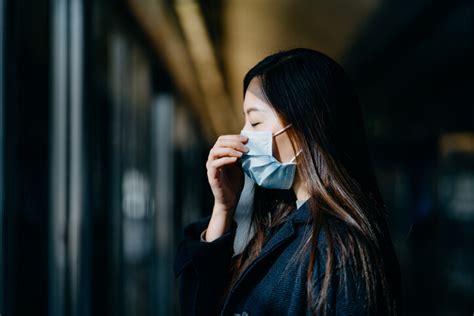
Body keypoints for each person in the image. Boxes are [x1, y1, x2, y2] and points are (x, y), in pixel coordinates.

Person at [173, 47, 402, 316]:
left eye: (255, 122)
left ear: (304, 128)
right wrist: (223, 208)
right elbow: (201, 305)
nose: (243, 136)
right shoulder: (281, 225)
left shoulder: (339, 257)